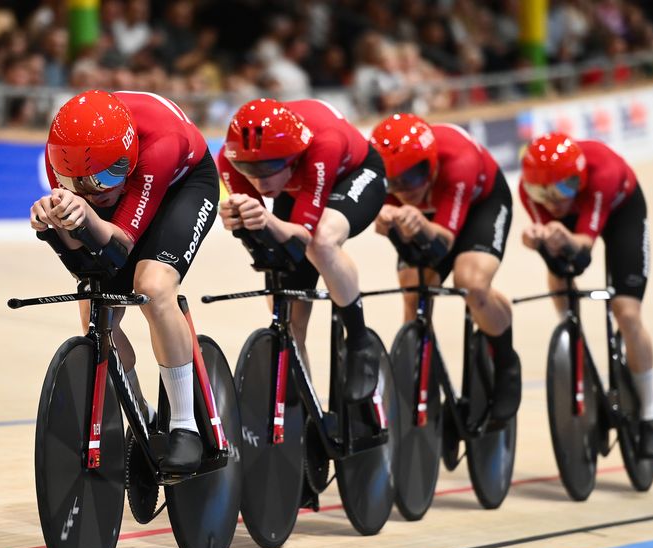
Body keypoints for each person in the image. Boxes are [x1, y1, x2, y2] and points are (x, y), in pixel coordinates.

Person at [30, 90, 219, 473]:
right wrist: (56, 225)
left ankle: (185, 425)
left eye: (104, 177)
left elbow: (121, 244)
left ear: (125, 160)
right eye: (75, 181)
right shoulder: (68, 159)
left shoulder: (160, 145)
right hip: (127, 186)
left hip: (179, 186)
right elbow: (90, 265)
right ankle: (143, 416)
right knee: (95, 306)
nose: (91, 188)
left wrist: (86, 213)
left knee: (153, 287)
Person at [216, 98, 387, 402]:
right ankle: (307, 408)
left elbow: (303, 237)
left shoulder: (324, 146)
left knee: (322, 243)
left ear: (293, 156)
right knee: (290, 313)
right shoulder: (229, 158)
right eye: (248, 168)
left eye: (268, 167)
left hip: (352, 174)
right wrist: (242, 224)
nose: (258, 179)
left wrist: (267, 220)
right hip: (296, 184)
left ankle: (360, 343)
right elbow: (265, 235)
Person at [518, 133, 653, 458]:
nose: (554, 200)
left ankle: (650, 413)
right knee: (559, 270)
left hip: (620, 213)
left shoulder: (603, 173)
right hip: (579, 216)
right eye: (543, 193)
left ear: (579, 178)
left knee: (626, 312)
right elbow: (563, 257)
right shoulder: (533, 194)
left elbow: (583, 249)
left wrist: (562, 238)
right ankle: (570, 333)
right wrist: (543, 240)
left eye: (564, 188)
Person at [370, 113, 521, 424]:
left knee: (472, 284)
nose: (404, 188)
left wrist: (418, 224)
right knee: (413, 293)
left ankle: (506, 363)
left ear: (433, 162)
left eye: (413, 176)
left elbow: (444, 243)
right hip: (430, 217)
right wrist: (385, 222)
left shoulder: (459, 161)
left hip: (481, 206)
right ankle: (427, 382)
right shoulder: (379, 172)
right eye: (394, 181)